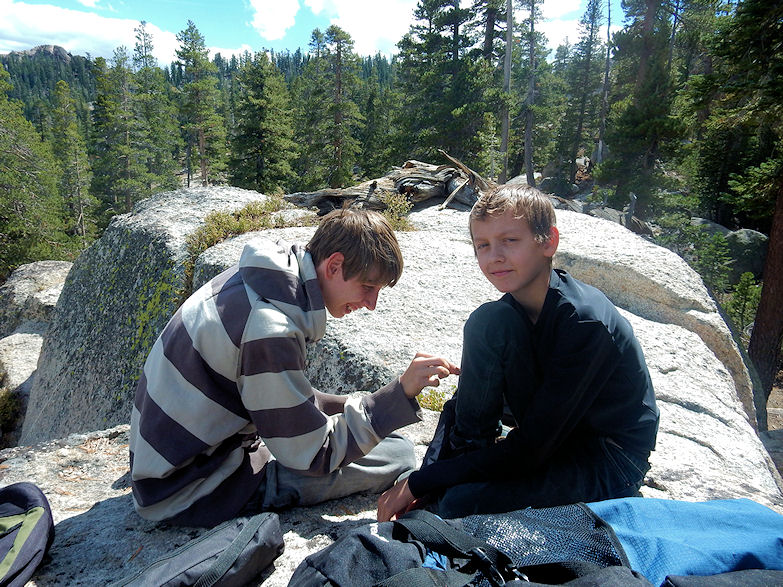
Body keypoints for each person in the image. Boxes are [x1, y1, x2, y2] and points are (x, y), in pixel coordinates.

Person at [130, 207, 459, 527]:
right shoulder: (270, 329)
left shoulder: (261, 281)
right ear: (334, 265)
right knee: (398, 453)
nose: (371, 304)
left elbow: (281, 397)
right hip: (193, 488)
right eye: (368, 287)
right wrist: (396, 397)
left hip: (168, 466)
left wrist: (370, 404)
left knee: (381, 435)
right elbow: (315, 455)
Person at [377, 185, 659, 522]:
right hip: (553, 436)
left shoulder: (585, 323)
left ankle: (456, 485)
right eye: (483, 245)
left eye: (510, 240)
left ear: (548, 242)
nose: (494, 256)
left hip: (608, 457)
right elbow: (475, 403)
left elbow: (531, 449)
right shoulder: (512, 311)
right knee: (486, 322)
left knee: (459, 505)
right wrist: (438, 474)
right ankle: (464, 462)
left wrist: (422, 482)